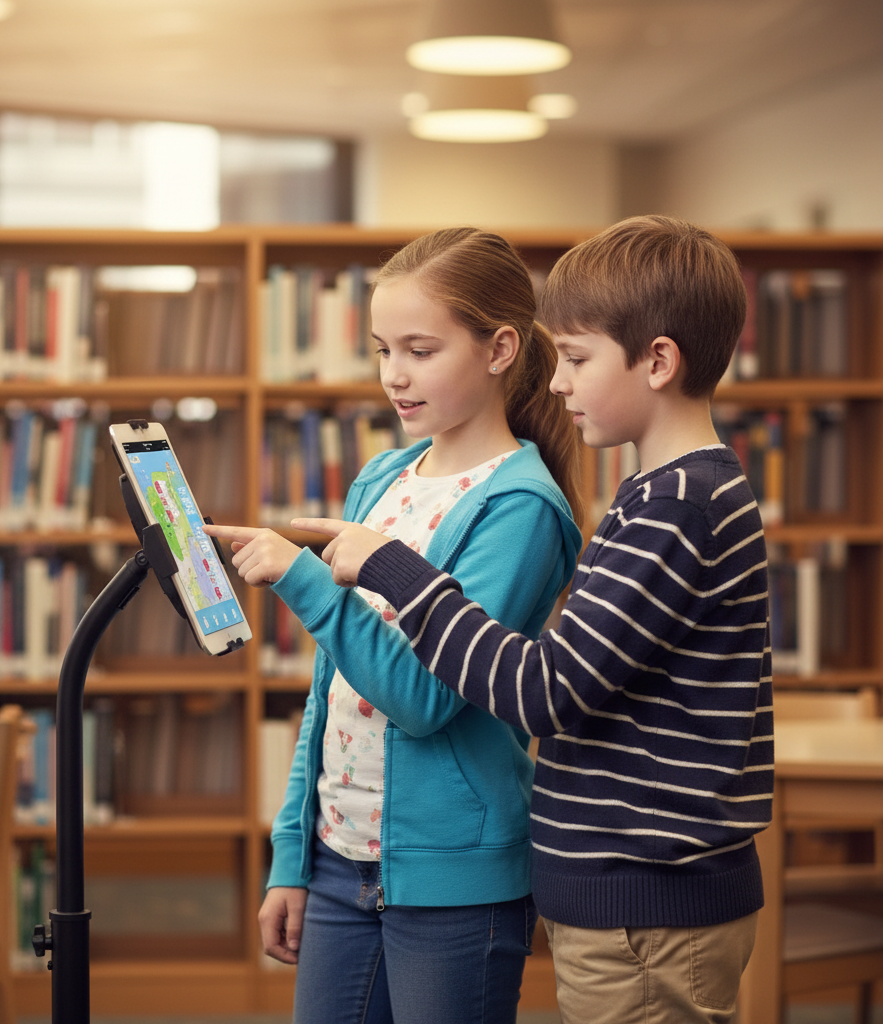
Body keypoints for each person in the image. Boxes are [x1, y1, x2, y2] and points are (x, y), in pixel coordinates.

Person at [294, 215, 774, 1024]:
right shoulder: (658, 497)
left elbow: (543, 690)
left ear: (658, 361)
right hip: (624, 895)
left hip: (648, 899)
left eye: (578, 359)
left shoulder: (677, 506)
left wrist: (389, 568)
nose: (557, 382)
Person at [205, 226, 583, 1024]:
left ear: (499, 348)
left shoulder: (518, 508)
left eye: (420, 349)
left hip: (452, 882)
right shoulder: (383, 476)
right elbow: (328, 692)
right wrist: (292, 855)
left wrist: (302, 579)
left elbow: (423, 698)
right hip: (339, 865)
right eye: (382, 350)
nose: (394, 376)